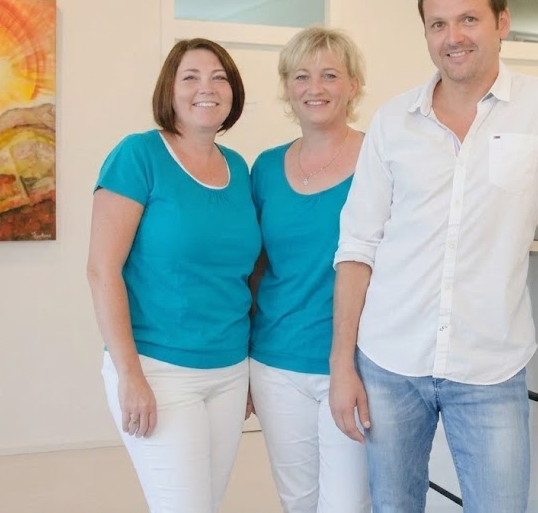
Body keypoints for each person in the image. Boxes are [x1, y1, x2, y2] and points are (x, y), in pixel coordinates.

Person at [328, 0, 538, 513]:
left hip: (490, 365)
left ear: (501, 22)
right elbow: (356, 248)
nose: (454, 37)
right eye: (438, 24)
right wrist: (341, 365)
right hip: (390, 360)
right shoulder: (393, 122)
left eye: (468, 19)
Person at [86, 38, 261, 512]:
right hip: (159, 370)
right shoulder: (138, 156)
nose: (207, 88)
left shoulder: (238, 168)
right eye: (191, 77)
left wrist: (248, 371)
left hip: (229, 370)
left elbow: (243, 277)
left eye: (219, 77)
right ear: (170, 89)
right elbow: (102, 270)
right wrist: (129, 374)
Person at [248, 27, 371, 513]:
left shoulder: (380, 159)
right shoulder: (264, 168)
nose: (314, 88)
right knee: (298, 502)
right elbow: (255, 268)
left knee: (347, 505)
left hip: (357, 364)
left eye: (329, 75)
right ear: (287, 87)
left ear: (353, 85)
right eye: (301, 76)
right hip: (276, 363)